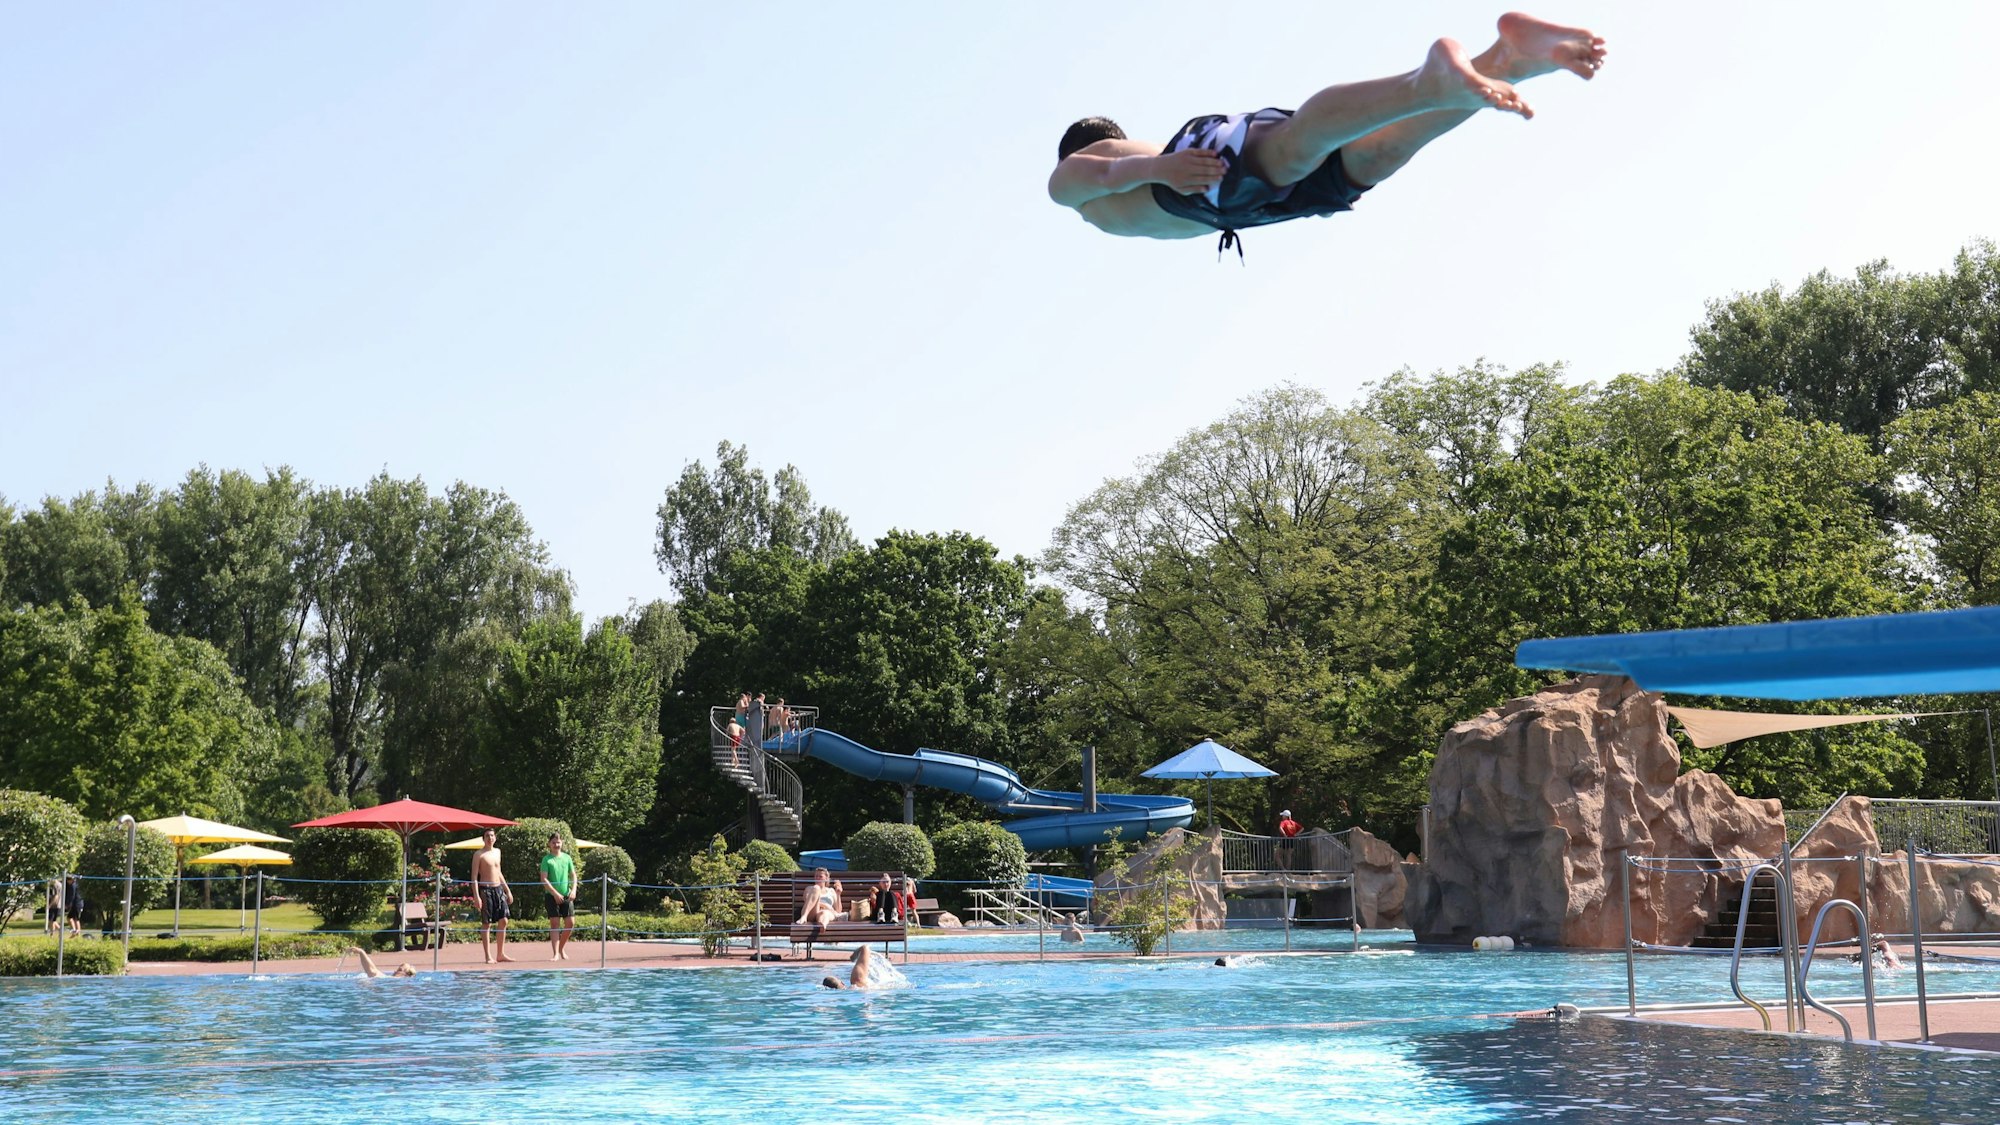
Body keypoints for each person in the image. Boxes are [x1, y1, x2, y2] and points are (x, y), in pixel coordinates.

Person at [1047, 12, 1606, 258]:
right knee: (1371, 160)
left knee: (1293, 147)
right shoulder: (1120, 202)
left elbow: (1091, 172)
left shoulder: (1072, 187)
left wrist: (1157, 169)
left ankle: (1425, 80)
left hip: (1198, 182)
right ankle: (1510, 58)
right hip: (1231, 206)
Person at [470, 828, 515, 964]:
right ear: (483, 838)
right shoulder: (479, 854)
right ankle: (488, 956)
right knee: (487, 923)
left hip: (498, 889)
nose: (490, 838)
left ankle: (500, 954)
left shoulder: (498, 852)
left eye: (492, 835)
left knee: (504, 920)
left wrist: (507, 890)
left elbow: (499, 872)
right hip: (486, 890)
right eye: (487, 836)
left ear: (495, 838)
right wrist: (476, 896)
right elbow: (474, 877)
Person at [540, 834, 578, 961]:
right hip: (551, 896)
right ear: (549, 844)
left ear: (562, 843)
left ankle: (561, 948)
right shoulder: (547, 859)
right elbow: (544, 879)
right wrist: (555, 894)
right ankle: (555, 953)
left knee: (570, 922)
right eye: (554, 842)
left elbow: (573, 875)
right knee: (555, 924)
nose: (556, 845)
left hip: (567, 894)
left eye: (558, 842)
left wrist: (573, 890)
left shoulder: (567, 858)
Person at [347, 945, 417, 978]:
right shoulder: (388, 979)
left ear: (405, 975)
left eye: (399, 970)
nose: (395, 971)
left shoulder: (392, 980)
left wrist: (361, 952)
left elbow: (373, 971)